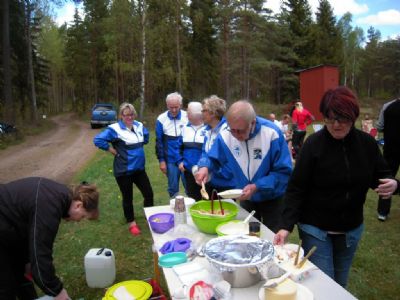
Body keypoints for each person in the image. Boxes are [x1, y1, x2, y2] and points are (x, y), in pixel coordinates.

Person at [274, 86, 398, 288]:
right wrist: (285, 225)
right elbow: (296, 188)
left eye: (342, 119)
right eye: (330, 119)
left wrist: (393, 183)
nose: (336, 125)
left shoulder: (366, 144)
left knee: (340, 284)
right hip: (316, 228)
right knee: (324, 285)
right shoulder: (313, 144)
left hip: (351, 229)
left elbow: (381, 175)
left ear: (353, 116)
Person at [196, 100, 292, 232]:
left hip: (273, 198)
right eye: (232, 130)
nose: (235, 135)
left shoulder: (272, 133)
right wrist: (205, 167)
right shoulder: (225, 135)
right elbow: (212, 156)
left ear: (252, 123)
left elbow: (283, 172)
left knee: (273, 238)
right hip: (246, 196)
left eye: (240, 131)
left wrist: (258, 186)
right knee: (248, 236)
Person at [0, 177, 99, 300]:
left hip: (7, 230)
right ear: (79, 205)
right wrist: (57, 291)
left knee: (21, 276)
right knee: (5, 286)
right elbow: (40, 252)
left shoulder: (58, 195)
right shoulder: (51, 205)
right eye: (83, 216)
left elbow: (29, 232)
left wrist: (26, 261)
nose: (79, 220)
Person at [94, 102, 154, 236]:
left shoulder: (139, 125)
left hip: (139, 169)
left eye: (132, 114)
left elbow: (146, 138)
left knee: (149, 193)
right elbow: (98, 139)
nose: (129, 117)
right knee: (128, 198)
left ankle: (149, 215)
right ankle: (131, 222)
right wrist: (111, 150)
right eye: (126, 115)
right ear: (121, 116)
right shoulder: (114, 129)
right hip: (123, 171)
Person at [196, 95, 234, 195]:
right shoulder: (208, 131)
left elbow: (228, 160)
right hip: (210, 180)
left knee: (223, 210)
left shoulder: (228, 130)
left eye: (204, 110)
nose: (201, 113)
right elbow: (205, 152)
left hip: (224, 183)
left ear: (213, 113)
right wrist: (202, 167)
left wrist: (212, 173)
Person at [155, 92, 188, 197]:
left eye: (176, 107)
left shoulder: (188, 116)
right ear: (167, 105)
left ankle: (193, 211)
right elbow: (159, 142)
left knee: (190, 186)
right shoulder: (161, 119)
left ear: (181, 105)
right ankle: (175, 211)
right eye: (171, 107)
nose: (174, 110)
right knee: (173, 188)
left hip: (185, 159)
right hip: (170, 160)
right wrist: (161, 161)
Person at [375, 98, 400, 221]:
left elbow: (379, 126)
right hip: (391, 149)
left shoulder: (387, 106)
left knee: (387, 178)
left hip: (391, 149)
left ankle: (382, 212)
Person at [178, 102, 207, 200]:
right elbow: (178, 147)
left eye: (188, 113)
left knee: (207, 198)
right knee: (192, 198)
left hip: (205, 172)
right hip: (188, 171)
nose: (186, 115)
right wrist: (180, 161)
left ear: (196, 115)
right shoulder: (184, 128)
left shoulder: (208, 129)